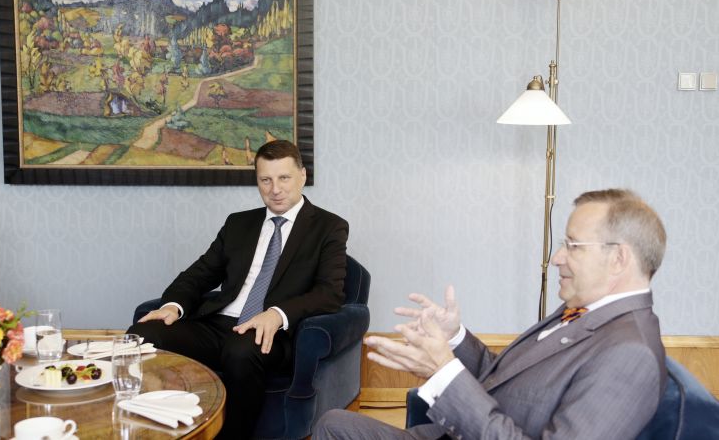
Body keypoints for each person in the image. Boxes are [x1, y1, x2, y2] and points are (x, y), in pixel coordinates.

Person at [314, 189, 667, 440]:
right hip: (452, 432)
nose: (556, 258)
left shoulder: (629, 353)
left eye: (572, 246)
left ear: (618, 259)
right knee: (333, 423)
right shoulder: (582, 310)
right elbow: (510, 381)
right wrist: (455, 338)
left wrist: (443, 374)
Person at [129, 140, 348, 439]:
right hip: (218, 324)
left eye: (284, 178)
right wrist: (173, 306)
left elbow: (330, 293)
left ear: (302, 176)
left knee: (240, 351)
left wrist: (277, 314)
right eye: (265, 180)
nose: (275, 189)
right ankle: (161, 432)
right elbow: (200, 274)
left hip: (271, 333)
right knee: (143, 335)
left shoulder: (328, 227)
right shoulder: (239, 223)